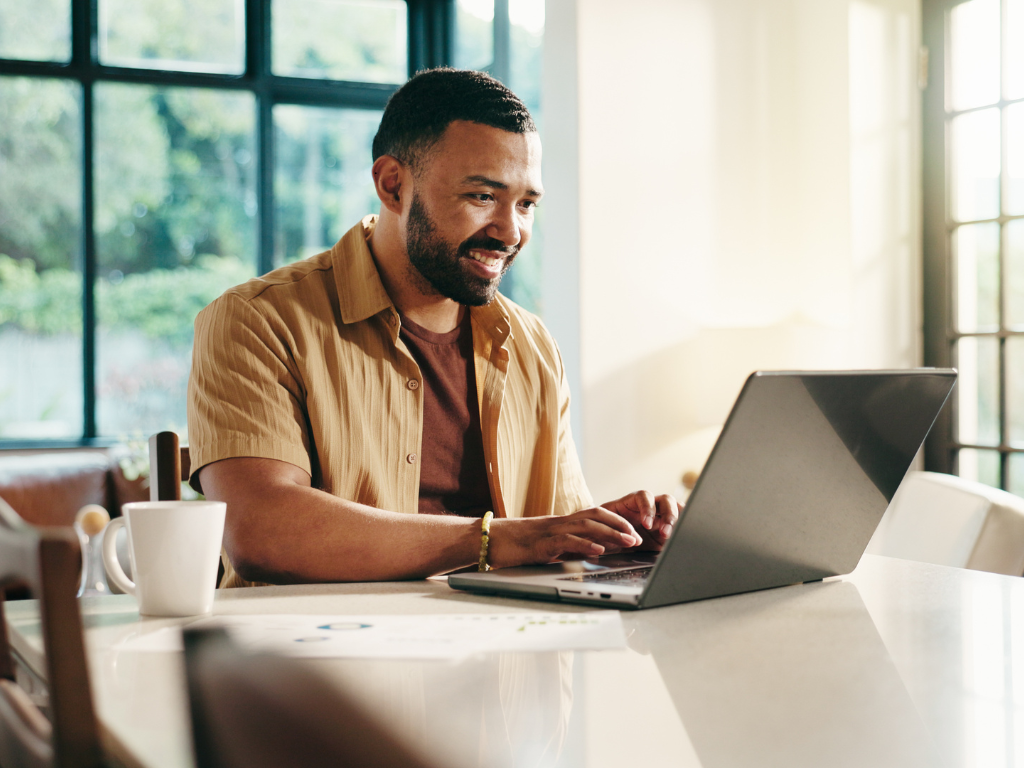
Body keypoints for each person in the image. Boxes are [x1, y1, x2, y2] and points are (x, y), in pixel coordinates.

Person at [187, 68, 679, 587]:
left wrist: (612, 539)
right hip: (317, 658)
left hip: (503, 655)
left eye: (527, 204)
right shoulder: (257, 321)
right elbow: (261, 532)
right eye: (482, 197)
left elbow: (546, 533)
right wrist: (498, 540)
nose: (511, 231)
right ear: (392, 185)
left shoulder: (534, 347)